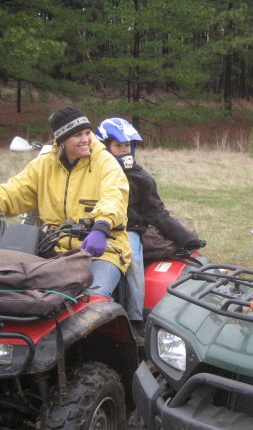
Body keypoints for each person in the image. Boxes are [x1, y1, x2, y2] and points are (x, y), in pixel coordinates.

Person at [0, 105, 131, 299]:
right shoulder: (44, 165)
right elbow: (13, 191)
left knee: (92, 298)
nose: (86, 139)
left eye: (88, 133)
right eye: (77, 135)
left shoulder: (105, 163)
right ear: (62, 140)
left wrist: (101, 227)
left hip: (102, 250)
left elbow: (114, 197)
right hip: (54, 249)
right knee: (16, 292)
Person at [95, 117, 201, 340]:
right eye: (118, 146)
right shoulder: (92, 174)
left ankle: (135, 319)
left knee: (132, 262)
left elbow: (156, 213)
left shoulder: (140, 178)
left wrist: (185, 237)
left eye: (127, 145)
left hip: (127, 230)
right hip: (93, 228)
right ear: (104, 147)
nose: (124, 150)